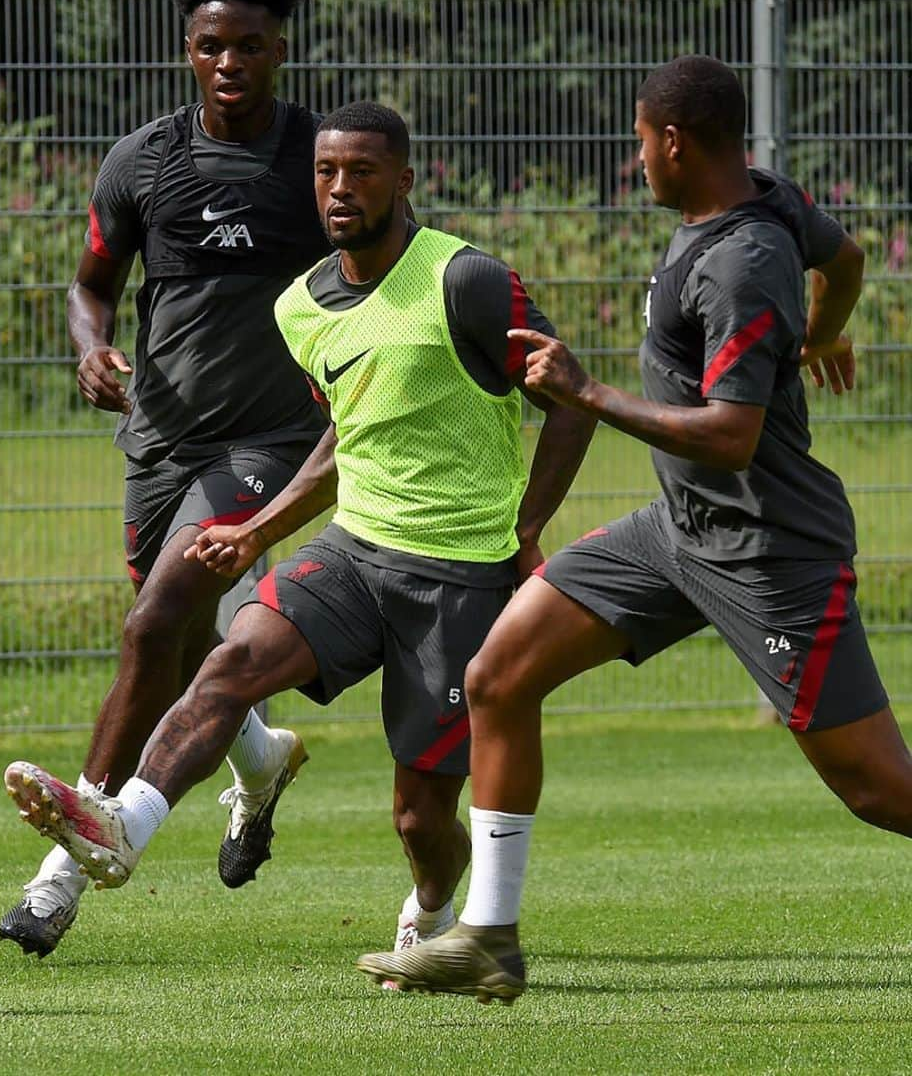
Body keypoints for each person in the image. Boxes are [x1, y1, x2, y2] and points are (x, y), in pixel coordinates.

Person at [354, 54, 904, 1004]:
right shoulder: (765, 198)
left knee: (876, 790)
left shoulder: (739, 262)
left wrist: (586, 392)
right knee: (497, 674)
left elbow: (734, 437)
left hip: (769, 553)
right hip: (675, 534)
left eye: (641, 140)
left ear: (677, 143)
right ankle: (488, 937)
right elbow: (846, 257)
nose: (635, 157)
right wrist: (821, 334)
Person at [2, 101, 596, 956]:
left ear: (404, 179)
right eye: (326, 173)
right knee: (230, 662)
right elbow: (342, 440)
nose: (341, 189)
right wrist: (259, 532)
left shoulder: (465, 279)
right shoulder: (303, 307)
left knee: (420, 818)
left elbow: (573, 402)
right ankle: (122, 825)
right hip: (353, 553)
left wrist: (526, 526)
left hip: (460, 574)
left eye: (362, 172)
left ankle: (433, 908)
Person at [0, 0, 332, 957]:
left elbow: (382, 275)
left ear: (280, 50)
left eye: (249, 45)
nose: (230, 61)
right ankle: (261, 761)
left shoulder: (321, 160)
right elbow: (91, 285)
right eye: (211, 45)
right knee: (178, 647)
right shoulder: (141, 160)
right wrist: (90, 348)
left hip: (270, 443)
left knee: (152, 623)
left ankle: (63, 874)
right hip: (160, 444)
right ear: (187, 52)